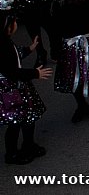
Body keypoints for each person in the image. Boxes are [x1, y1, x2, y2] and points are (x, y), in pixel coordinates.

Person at [0, 10, 52, 164]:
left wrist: (30, 48)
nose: (16, 25)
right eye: (13, 23)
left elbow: (15, 57)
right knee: (18, 122)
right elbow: (12, 71)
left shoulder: (5, 42)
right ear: (8, 28)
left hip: (17, 88)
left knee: (26, 119)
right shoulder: (3, 46)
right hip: (12, 91)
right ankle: (13, 153)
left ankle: (28, 145)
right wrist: (35, 73)